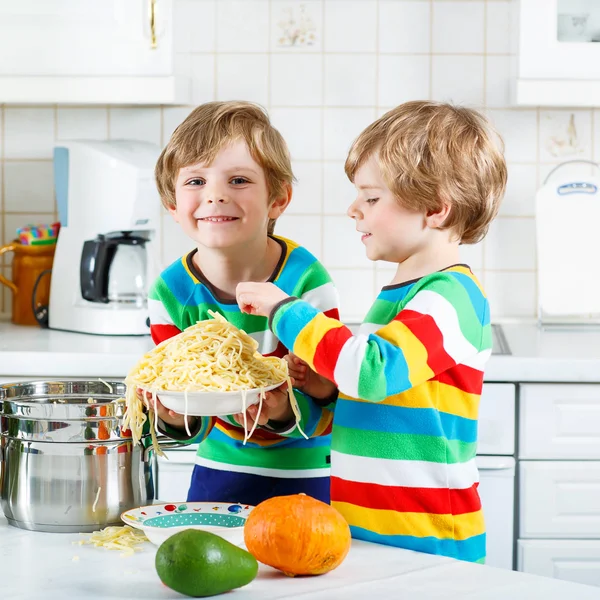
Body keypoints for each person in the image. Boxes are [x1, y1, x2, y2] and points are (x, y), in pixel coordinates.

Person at [235, 101, 507, 563]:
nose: (353, 210)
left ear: (436, 208)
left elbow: (373, 372)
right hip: (370, 529)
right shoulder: (399, 296)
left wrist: (283, 307)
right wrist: (323, 388)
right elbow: (380, 397)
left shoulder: (454, 296)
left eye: (371, 197)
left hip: (430, 539)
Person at [146, 101, 339, 506]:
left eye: (237, 180)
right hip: (221, 470)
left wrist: (285, 410)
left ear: (277, 200)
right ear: (173, 206)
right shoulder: (171, 292)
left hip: (307, 472)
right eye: (195, 182)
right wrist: (172, 415)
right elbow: (189, 422)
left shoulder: (305, 281)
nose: (215, 196)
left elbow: (328, 399)